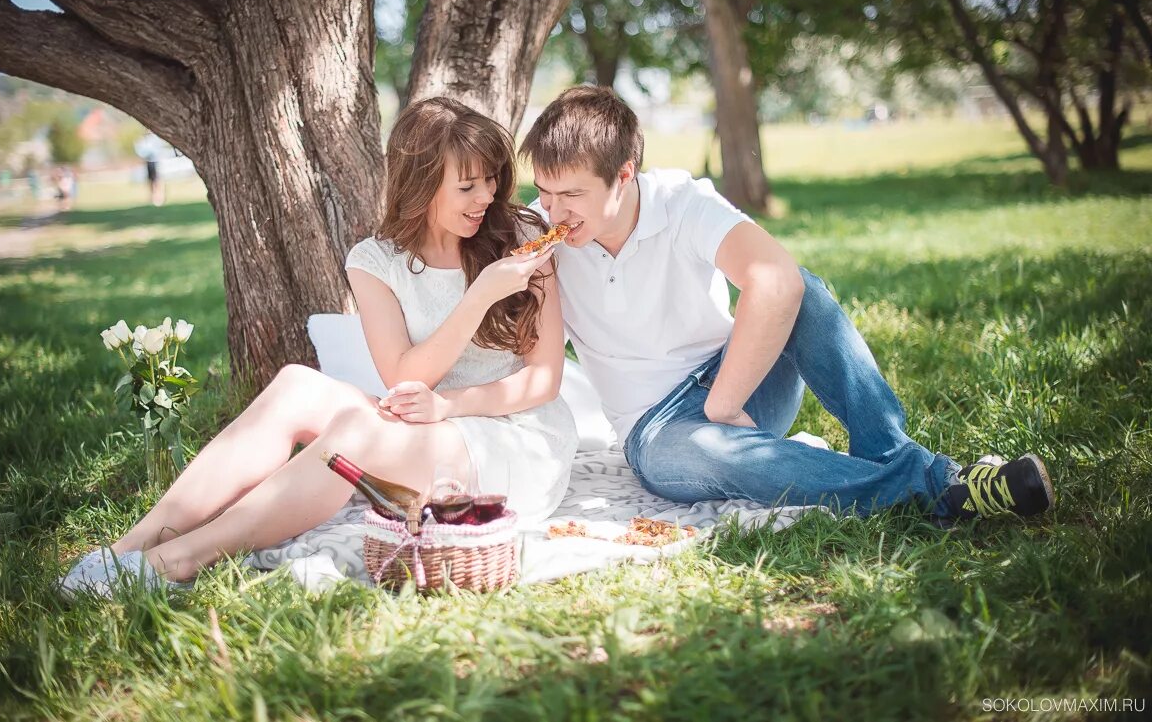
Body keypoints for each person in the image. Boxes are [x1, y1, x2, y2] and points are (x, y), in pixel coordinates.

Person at [59, 97, 577, 596]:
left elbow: (543, 380)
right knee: (295, 386)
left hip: (509, 439)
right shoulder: (375, 260)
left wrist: (452, 396)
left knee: (354, 432)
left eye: (491, 179)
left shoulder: (523, 235)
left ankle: (178, 560)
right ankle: (128, 547)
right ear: (421, 185)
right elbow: (404, 376)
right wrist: (478, 299)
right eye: (467, 186)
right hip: (425, 421)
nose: (486, 196)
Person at [518, 85, 1054, 523]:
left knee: (804, 287)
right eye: (544, 191)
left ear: (625, 175)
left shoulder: (681, 203)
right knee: (701, 451)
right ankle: (941, 484)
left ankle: (890, 453)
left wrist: (724, 406)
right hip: (658, 431)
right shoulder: (537, 238)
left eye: (571, 195)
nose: (553, 210)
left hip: (738, 386)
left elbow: (777, 281)